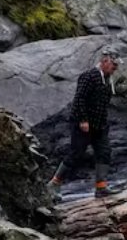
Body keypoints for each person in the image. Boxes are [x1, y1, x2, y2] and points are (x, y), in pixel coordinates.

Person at [50, 51, 119, 198]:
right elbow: (79, 98)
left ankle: (101, 187)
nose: (116, 68)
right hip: (83, 124)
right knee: (76, 153)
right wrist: (83, 120)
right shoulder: (89, 76)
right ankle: (54, 183)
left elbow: (104, 104)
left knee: (104, 152)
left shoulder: (108, 79)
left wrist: (104, 123)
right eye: (114, 64)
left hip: (99, 125)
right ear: (105, 61)